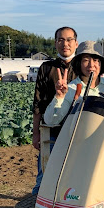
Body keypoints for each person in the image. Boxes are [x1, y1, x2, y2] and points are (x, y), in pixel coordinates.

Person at [31, 26, 78, 196]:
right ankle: (38, 203)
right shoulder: (46, 67)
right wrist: (36, 133)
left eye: (69, 39)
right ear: (56, 43)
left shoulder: (83, 66)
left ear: (76, 43)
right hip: (50, 129)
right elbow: (38, 103)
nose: (65, 44)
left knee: (74, 172)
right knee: (45, 171)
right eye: (61, 40)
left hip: (76, 129)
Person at [43, 41, 104, 127]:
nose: (91, 65)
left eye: (95, 60)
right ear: (79, 64)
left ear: (101, 64)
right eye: (86, 60)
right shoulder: (70, 90)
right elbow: (50, 121)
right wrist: (59, 97)